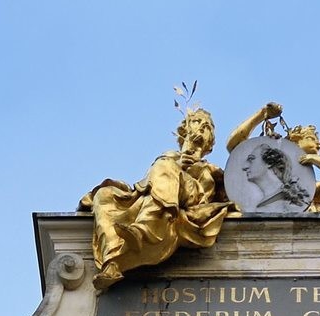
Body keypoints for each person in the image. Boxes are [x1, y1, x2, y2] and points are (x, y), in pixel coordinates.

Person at [80, 108, 237, 288]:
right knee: (105, 195)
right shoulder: (169, 157)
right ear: (184, 129)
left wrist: (262, 116)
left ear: (210, 142)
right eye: (197, 122)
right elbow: (147, 185)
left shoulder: (211, 169)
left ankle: (144, 229)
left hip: (191, 203)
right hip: (157, 199)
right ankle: (112, 261)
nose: (202, 127)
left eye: (207, 126)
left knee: (165, 165)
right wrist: (178, 164)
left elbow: (237, 157)